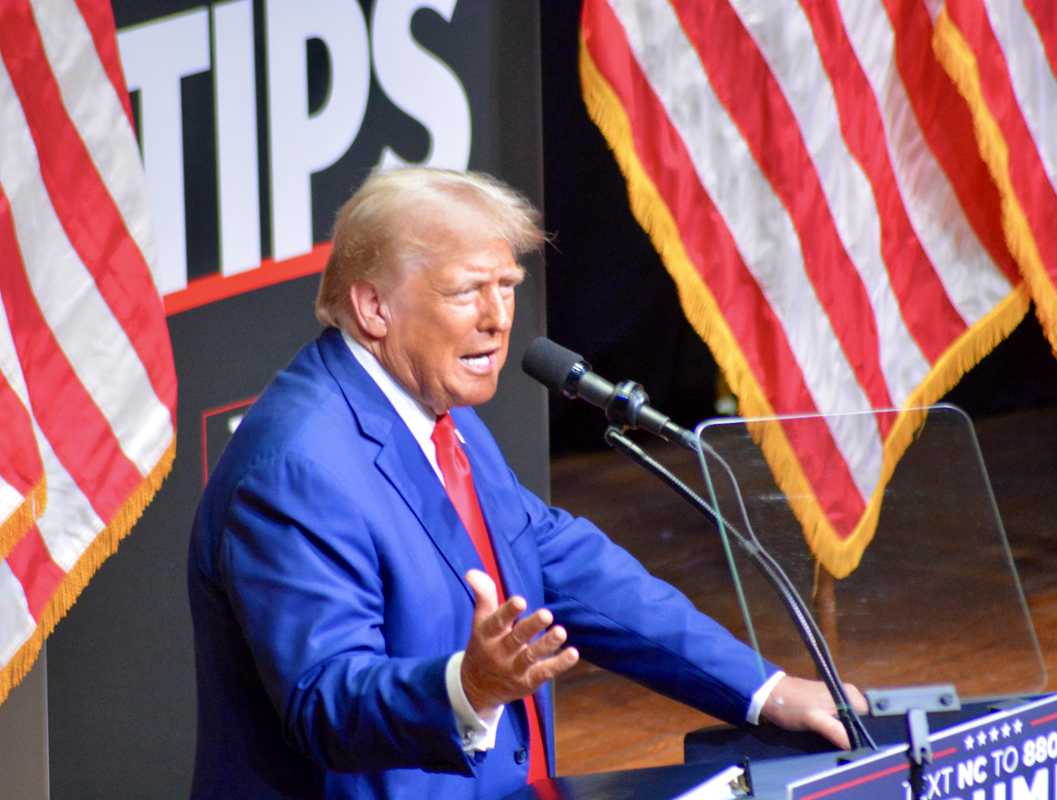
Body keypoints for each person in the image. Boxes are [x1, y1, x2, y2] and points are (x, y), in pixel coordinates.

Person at [187, 167, 865, 800]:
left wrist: (764, 690)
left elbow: (566, 568)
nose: (498, 317)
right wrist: (467, 684)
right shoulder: (297, 469)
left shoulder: (438, 411)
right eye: (464, 291)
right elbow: (324, 700)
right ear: (372, 308)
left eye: (506, 286)